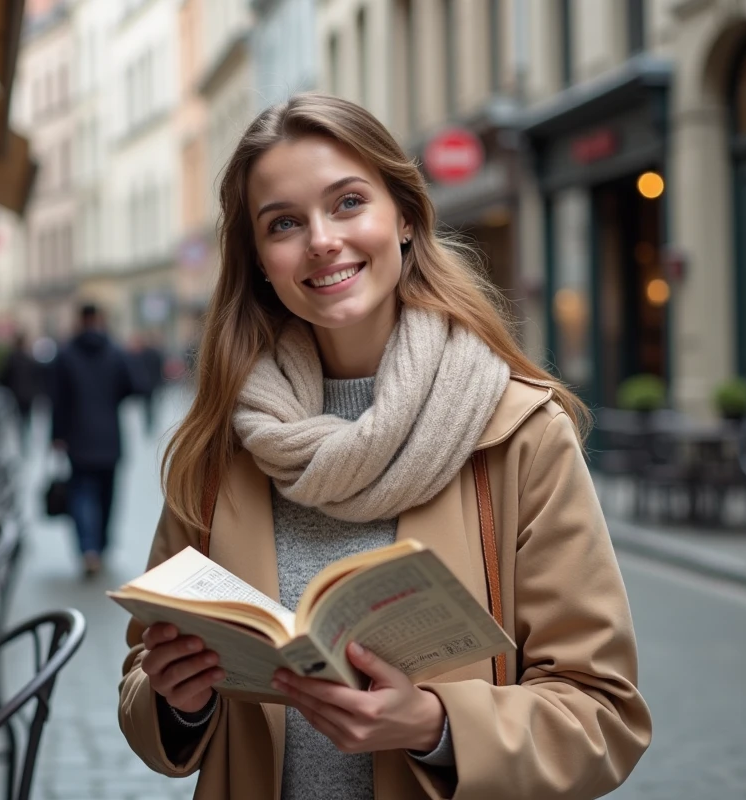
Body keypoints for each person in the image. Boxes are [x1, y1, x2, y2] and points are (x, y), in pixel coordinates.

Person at [118, 94, 651, 799]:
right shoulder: (226, 443)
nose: (321, 240)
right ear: (260, 259)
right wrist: (180, 701)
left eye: (346, 204)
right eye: (284, 223)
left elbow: (604, 715)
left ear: (403, 216)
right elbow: (140, 682)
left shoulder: (517, 431)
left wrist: (433, 725)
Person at [51, 303, 138, 577]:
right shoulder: (115, 352)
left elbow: (57, 400)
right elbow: (134, 386)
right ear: (99, 319)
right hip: (109, 437)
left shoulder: (65, 354)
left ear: (80, 320)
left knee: (81, 493)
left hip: (77, 438)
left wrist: (56, 435)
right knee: (106, 495)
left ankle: (88, 549)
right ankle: (101, 545)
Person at [0, 331, 43, 439]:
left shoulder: (11, 359)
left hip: (15, 394)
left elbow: (3, 376)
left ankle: (22, 437)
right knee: (26, 418)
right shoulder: (29, 359)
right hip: (27, 394)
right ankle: (25, 437)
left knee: (18, 419)